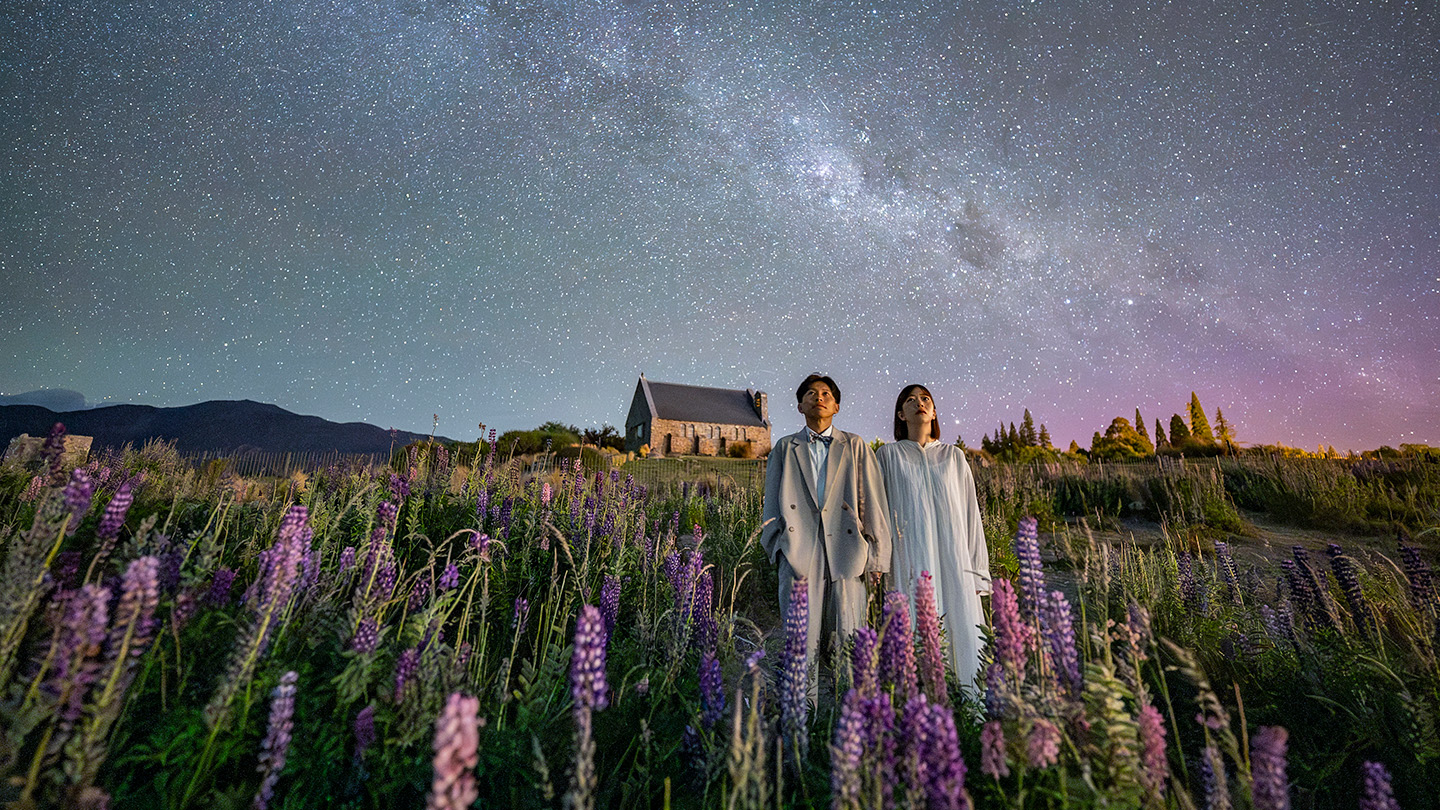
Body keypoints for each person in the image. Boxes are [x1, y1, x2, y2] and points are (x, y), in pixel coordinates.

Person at [761, 374, 892, 682]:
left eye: (825, 393)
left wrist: (875, 557)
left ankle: (852, 715)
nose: (817, 397)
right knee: (800, 644)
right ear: (799, 405)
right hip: (798, 552)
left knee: (849, 642)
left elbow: (872, 503)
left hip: (848, 552)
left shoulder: (856, 445)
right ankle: (803, 717)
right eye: (810, 393)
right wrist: (777, 548)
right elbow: (771, 504)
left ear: (836, 405)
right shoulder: (784, 447)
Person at [875, 384, 991, 690]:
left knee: (961, 630)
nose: (919, 403)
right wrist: (880, 564)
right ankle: (918, 709)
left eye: (925, 399)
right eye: (910, 400)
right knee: (913, 636)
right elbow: (879, 513)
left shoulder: (954, 457)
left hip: (954, 559)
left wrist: (978, 573)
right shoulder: (887, 456)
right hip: (910, 557)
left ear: (935, 412)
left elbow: (971, 515)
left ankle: (967, 711)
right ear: (901, 414)